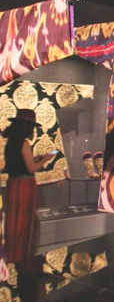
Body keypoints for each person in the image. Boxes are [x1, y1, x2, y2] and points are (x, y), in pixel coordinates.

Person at [2, 109, 54, 266]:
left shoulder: (10, 143)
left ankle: (13, 257)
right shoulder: (24, 143)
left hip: (13, 185)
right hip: (24, 187)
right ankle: (24, 258)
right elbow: (31, 169)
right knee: (25, 223)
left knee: (14, 222)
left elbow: (17, 164)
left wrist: (35, 158)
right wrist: (45, 159)